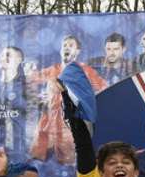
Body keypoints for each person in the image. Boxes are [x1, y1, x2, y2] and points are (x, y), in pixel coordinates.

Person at [27, 35, 107, 164]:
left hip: (71, 123)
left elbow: (102, 88)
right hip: (48, 122)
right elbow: (30, 81)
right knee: (37, 159)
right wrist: (39, 96)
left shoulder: (85, 71)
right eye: (64, 46)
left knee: (69, 163)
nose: (67, 48)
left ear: (77, 51)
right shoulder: (53, 69)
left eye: (71, 45)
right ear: (60, 50)